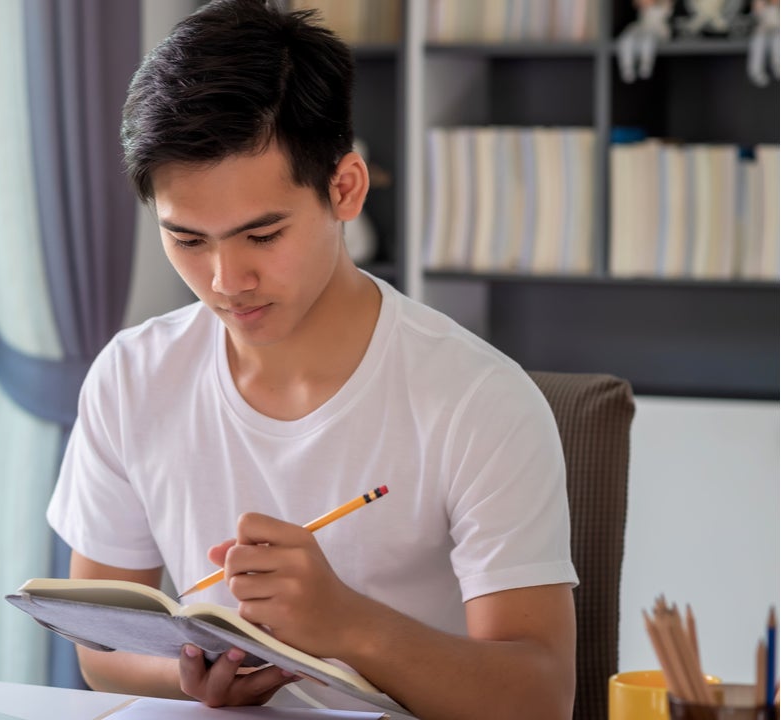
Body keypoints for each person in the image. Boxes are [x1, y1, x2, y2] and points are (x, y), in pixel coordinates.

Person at [46, 1, 578, 718]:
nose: (227, 282)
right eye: (189, 241)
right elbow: (100, 653)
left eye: (262, 236)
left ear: (345, 188)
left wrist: (348, 625)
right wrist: (188, 676)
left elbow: (541, 699)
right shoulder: (131, 378)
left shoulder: (478, 400)